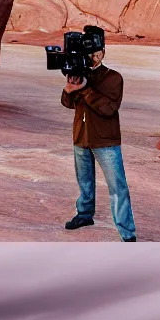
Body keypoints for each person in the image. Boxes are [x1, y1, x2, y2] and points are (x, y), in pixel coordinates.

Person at [62, 44, 136, 240]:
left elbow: (108, 109)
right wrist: (69, 88)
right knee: (84, 182)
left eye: (99, 51)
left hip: (105, 141)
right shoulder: (78, 73)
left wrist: (85, 88)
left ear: (103, 52)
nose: (95, 56)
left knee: (117, 187)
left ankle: (127, 232)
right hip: (81, 136)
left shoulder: (113, 77)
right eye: (92, 52)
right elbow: (67, 103)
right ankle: (85, 215)